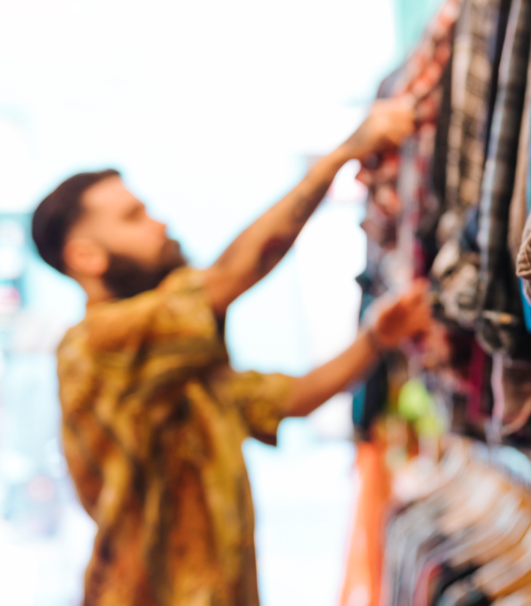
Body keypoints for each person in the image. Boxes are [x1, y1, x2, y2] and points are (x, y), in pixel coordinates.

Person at [30, 98, 429, 605]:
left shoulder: (171, 373)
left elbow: (291, 398)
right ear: (86, 255)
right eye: (133, 218)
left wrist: (376, 339)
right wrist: (343, 155)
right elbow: (228, 280)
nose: (159, 224)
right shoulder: (95, 348)